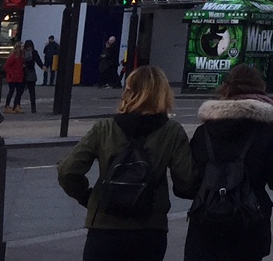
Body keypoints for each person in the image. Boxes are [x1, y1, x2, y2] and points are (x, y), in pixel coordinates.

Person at [57, 65, 195, 261]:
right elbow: (186, 182)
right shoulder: (172, 131)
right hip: (149, 228)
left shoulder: (105, 128)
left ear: (128, 91)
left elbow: (68, 172)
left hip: (105, 226)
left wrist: (88, 198)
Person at [183, 63, 273, 261]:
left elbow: (187, 187)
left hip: (206, 224)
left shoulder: (203, 131)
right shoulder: (267, 129)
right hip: (249, 224)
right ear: (260, 88)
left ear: (226, 88)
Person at [22, 38, 45, 112]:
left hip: (25, 72)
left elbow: (38, 60)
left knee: (22, 91)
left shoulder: (23, 53)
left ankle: (17, 106)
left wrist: (42, 66)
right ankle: (33, 108)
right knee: (31, 92)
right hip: (29, 72)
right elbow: (38, 60)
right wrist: (42, 66)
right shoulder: (33, 52)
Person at [4, 44, 26, 113]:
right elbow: (6, 66)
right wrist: (11, 74)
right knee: (12, 91)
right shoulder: (13, 57)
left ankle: (15, 105)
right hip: (13, 77)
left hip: (18, 76)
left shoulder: (20, 57)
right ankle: (7, 106)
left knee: (18, 92)